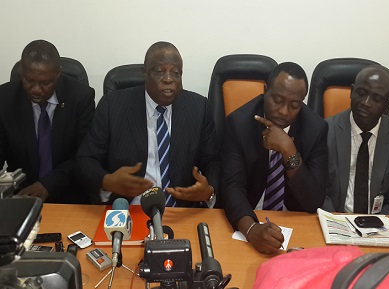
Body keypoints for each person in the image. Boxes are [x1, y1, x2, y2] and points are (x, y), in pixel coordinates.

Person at [76, 41, 219, 206]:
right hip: (127, 210)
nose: (168, 79)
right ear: (144, 73)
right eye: (159, 71)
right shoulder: (112, 105)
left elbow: (213, 160)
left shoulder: (199, 108)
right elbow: (85, 160)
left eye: (176, 73)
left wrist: (209, 191)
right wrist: (106, 181)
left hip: (181, 212)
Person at [221, 62, 328, 255]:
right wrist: (251, 230)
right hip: (250, 216)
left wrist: (289, 151)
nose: (284, 111)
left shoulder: (316, 129)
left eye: (294, 105)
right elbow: (231, 188)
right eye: (277, 100)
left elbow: (314, 201)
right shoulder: (238, 124)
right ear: (265, 91)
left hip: (296, 222)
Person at [0, 39, 95, 203]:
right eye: (29, 81)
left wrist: (47, 185)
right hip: (22, 194)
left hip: (71, 193)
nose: (36, 89)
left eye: (45, 83)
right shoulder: (5, 98)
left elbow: (84, 155)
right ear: (22, 73)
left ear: (58, 74)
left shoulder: (80, 97)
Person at [323, 65, 389, 215]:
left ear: (387, 105)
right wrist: (336, 221)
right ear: (352, 92)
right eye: (361, 93)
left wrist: (375, 226)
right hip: (334, 220)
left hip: (381, 225)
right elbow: (318, 191)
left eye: (376, 99)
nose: (365, 102)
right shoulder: (325, 131)